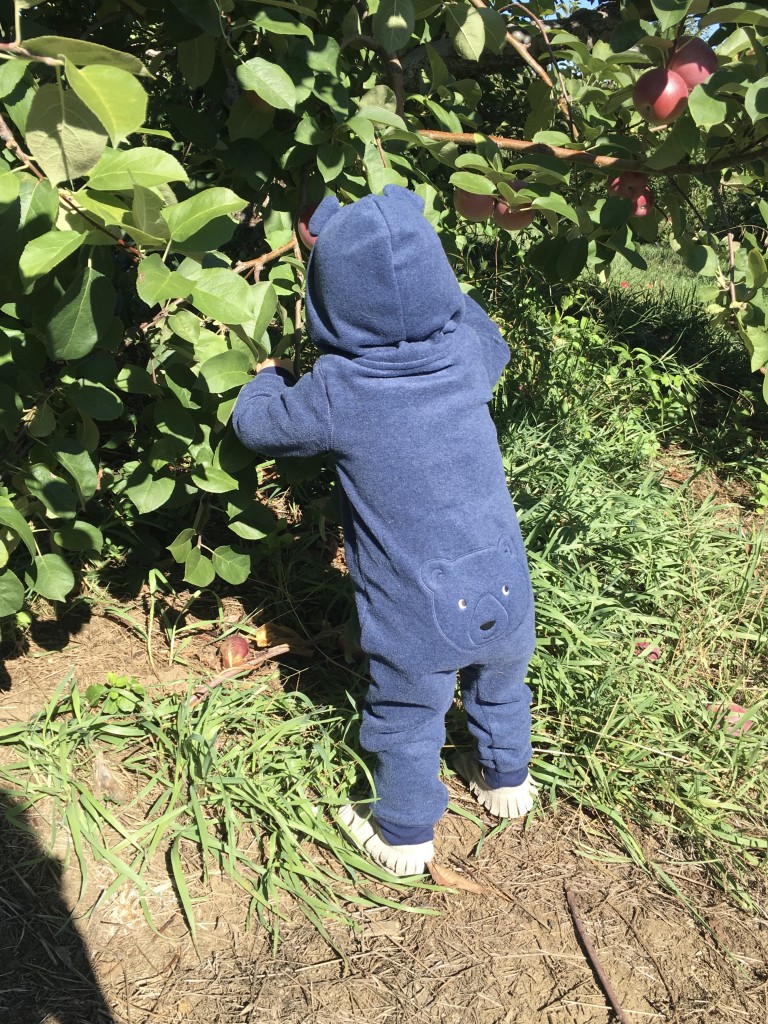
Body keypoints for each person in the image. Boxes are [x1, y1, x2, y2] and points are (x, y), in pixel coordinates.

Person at [232, 185, 537, 876]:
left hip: (415, 609)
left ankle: (401, 832)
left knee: (406, 717)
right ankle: (505, 780)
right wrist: (449, 300)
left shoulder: (340, 389)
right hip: (505, 581)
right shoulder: (466, 356)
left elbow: (257, 429)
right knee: (501, 684)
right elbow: (488, 333)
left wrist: (268, 380)